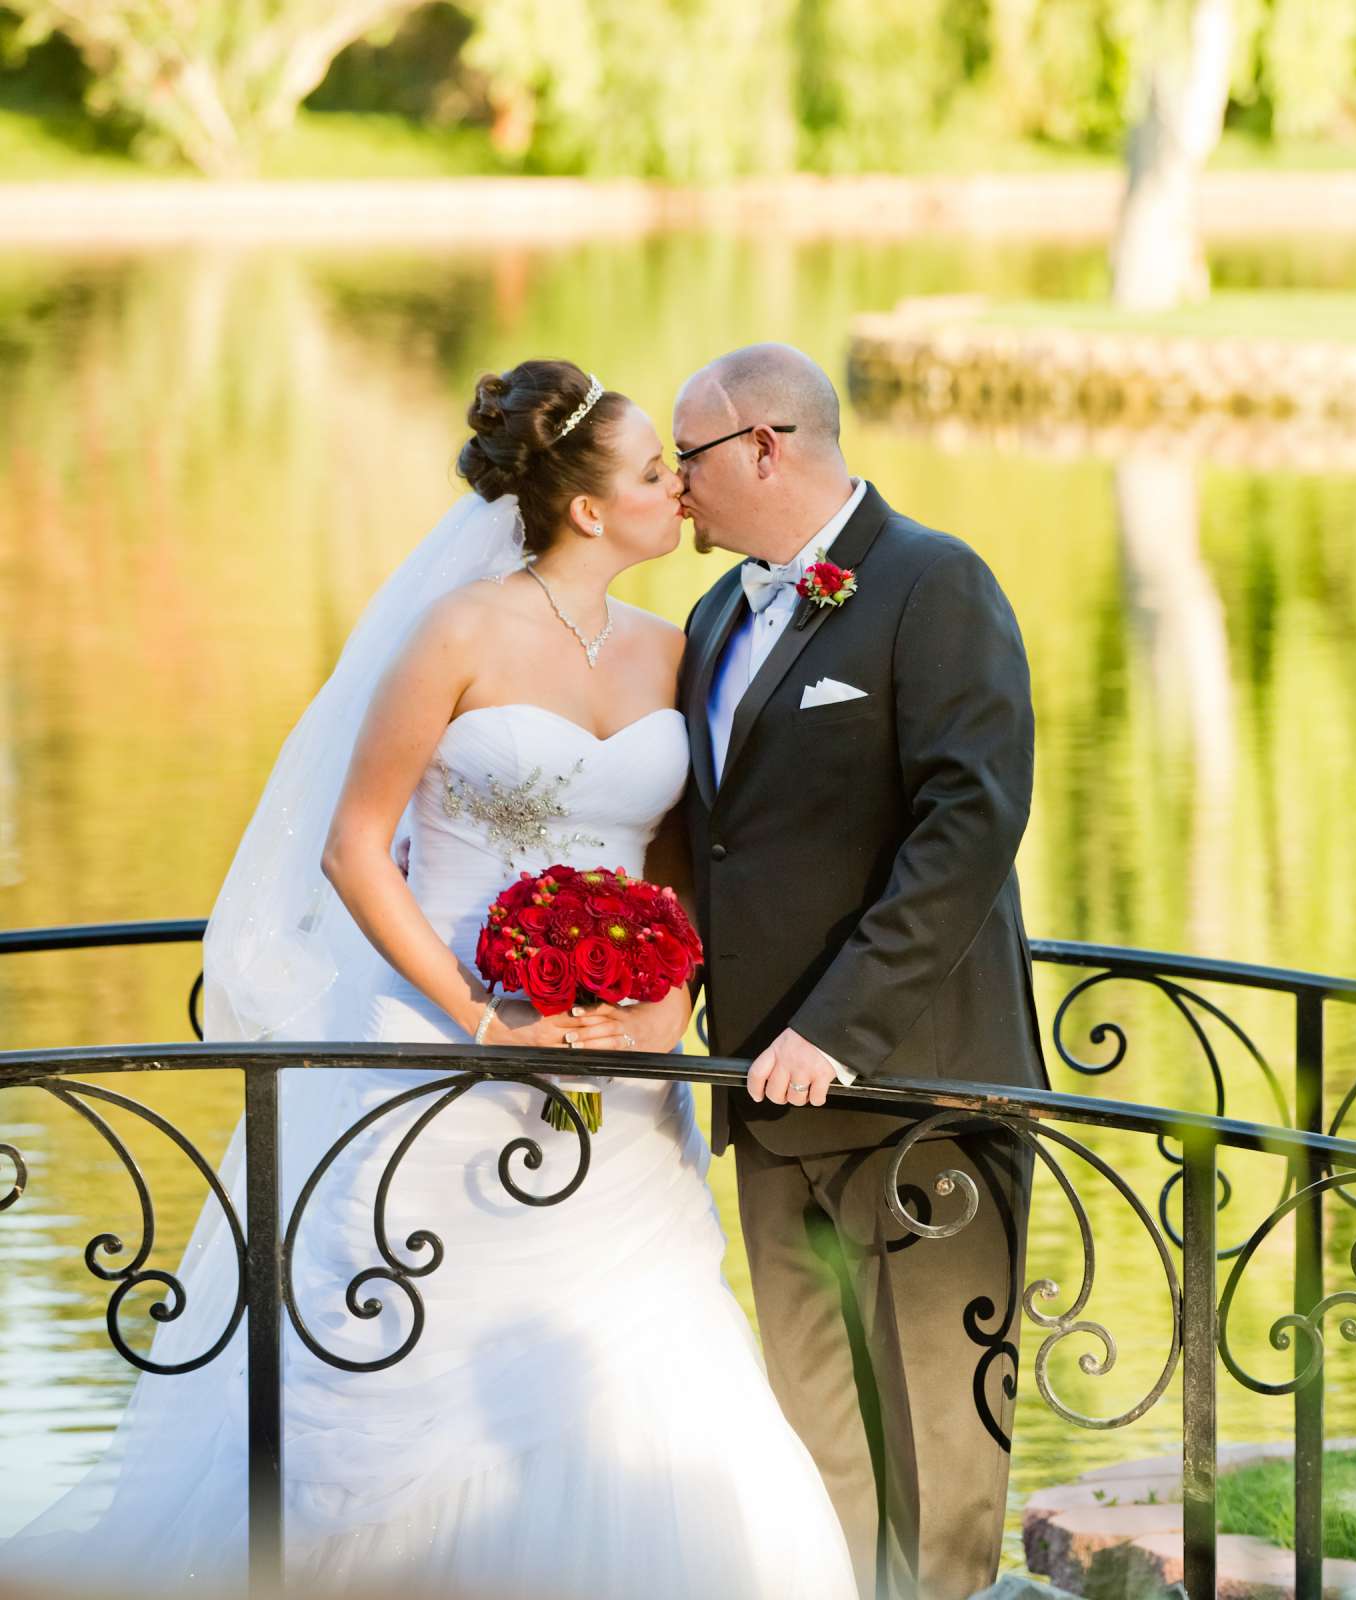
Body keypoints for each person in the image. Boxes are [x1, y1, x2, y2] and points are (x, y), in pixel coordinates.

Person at [3, 359, 857, 1600]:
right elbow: (357, 846)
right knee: (404, 1365)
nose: (678, 488)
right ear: (582, 508)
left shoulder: (679, 647)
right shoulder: (456, 633)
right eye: (651, 472)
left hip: (618, 1073)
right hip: (442, 1045)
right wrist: (475, 1013)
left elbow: (680, 862)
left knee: (645, 1346)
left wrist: (668, 997)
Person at [671, 342, 1046, 1600]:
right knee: (813, 1449)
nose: (677, 488)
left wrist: (835, 1027)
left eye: (692, 458)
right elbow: (714, 842)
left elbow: (970, 823)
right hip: (767, 1107)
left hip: (918, 1095)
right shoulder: (715, 615)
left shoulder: (934, 584)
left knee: (940, 1463)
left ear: (767, 443)